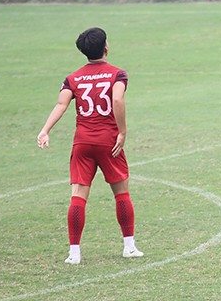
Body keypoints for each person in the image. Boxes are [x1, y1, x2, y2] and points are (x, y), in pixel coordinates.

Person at [37, 27, 143, 264]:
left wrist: (45, 130)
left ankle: (74, 253)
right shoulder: (117, 74)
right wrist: (122, 131)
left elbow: (61, 105)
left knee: (78, 196)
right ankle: (129, 246)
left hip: (82, 142)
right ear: (106, 47)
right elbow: (117, 98)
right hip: (109, 142)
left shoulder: (73, 78)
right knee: (121, 193)